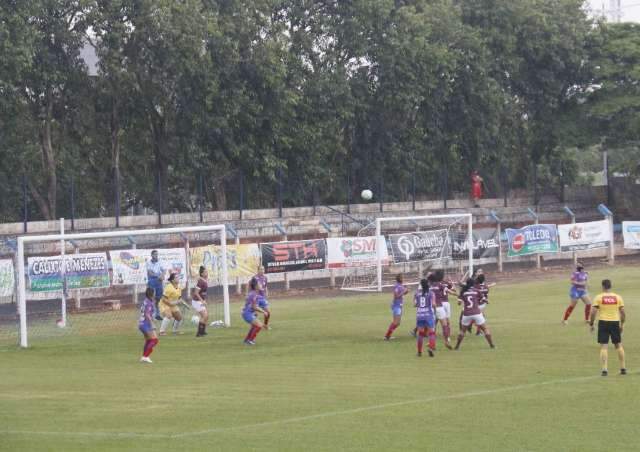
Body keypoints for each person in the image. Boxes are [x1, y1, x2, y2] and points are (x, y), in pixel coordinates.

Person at [589, 280, 626, 376]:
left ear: (603, 286)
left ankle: (604, 370)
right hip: (615, 322)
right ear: (611, 286)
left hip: (603, 323)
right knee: (618, 345)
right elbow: (623, 312)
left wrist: (591, 323)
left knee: (604, 346)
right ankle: (623, 368)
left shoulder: (599, 297)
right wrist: (622, 325)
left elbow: (593, 312)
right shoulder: (618, 297)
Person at [455, 278, 495, 350]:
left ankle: (457, 347)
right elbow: (484, 299)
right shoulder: (477, 291)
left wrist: (461, 300)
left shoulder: (463, 291)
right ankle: (492, 345)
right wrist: (487, 301)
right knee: (485, 329)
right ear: (473, 284)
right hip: (476, 313)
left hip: (466, 314)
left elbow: (459, 303)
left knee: (462, 331)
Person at [414, 278, 436, 357]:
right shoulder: (431, 293)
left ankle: (419, 352)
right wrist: (434, 309)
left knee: (421, 334)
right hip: (428, 315)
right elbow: (433, 304)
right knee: (432, 333)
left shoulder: (416, 293)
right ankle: (431, 348)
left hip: (420, 315)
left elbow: (415, 304)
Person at [384, 274, 409, 340]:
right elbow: (396, 296)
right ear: (400, 279)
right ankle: (387, 336)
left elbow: (405, 292)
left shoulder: (401, 286)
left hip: (399, 306)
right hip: (396, 306)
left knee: (398, 323)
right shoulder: (397, 286)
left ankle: (388, 335)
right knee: (396, 322)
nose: (403, 279)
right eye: (402, 278)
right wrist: (404, 291)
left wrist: (406, 290)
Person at [243, 278, 266, 345]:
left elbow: (248, 304)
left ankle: (247, 340)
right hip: (247, 313)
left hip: (247, 313)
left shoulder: (253, 293)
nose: (261, 285)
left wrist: (253, 312)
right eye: (259, 284)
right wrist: (263, 311)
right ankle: (250, 340)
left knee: (254, 325)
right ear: (256, 286)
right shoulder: (253, 294)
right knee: (259, 325)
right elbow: (254, 307)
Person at [138, 288, 159, 363]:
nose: (155, 294)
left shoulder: (146, 301)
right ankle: (145, 356)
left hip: (142, 323)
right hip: (145, 324)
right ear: (152, 294)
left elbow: (147, 313)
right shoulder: (149, 303)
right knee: (154, 340)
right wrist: (152, 323)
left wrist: (153, 319)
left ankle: (144, 357)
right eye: (154, 292)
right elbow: (147, 314)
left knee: (149, 340)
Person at [146, 250, 166, 321]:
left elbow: (164, 270)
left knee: (158, 298)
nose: (156, 256)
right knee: (151, 297)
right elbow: (150, 273)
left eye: (157, 254)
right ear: (151, 255)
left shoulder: (160, 262)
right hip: (152, 280)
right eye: (155, 255)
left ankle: (157, 314)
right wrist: (158, 276)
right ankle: (150, 314)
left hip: (159, 281)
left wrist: (162, 276)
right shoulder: (148, 262)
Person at [192, 266, 209, 337]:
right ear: (201, 274)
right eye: (205, 272)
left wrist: (204, 300)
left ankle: (202, 331)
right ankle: (199, 333)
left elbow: (203, 292)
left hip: (200, 301)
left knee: (206, 316)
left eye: (207, 271)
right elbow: (196, 292)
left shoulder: (204, 280)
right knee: (204, 315)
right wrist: (202, 301)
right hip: (196, 301)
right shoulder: (200, 281)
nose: (207, 273)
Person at [254, 265, 271, 329]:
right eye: (261, 269)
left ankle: (265, 325)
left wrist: (267, 293)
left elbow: (265, 286)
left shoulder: (265, 278)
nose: (262, 271)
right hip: (255, 298)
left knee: (268, 312)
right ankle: (254, 326)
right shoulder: (254, 278)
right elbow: (250, 287)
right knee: (255, 314)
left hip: (262, 298)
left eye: (263, 269)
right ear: (258, 270)